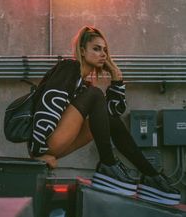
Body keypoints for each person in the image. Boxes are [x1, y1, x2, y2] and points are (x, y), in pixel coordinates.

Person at [28, 26, 181, 205]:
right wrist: (38, 152)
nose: (103, 54)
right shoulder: (68, 68)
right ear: (82, 51)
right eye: (96, 48)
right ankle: (108, 164)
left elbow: (113, 113)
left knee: (105, 113)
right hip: (47, 142)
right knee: (95, 94)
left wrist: (116, 75)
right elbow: (46, 106)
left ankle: (150, 175)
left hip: (59, 141)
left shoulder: (82, 84)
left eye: (105, 50)